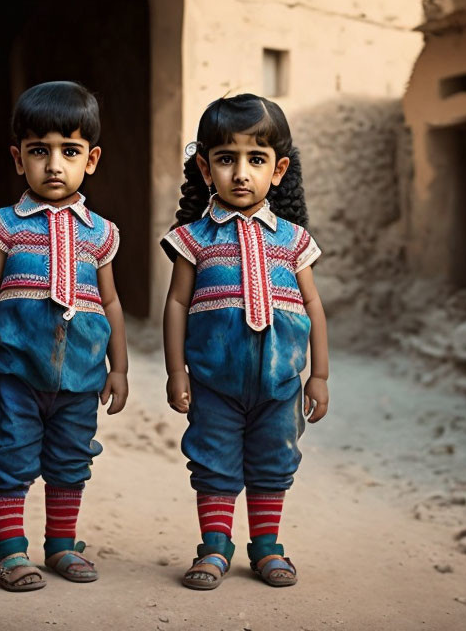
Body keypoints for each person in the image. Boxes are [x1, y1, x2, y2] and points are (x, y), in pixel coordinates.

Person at [161, 93, 329, 590]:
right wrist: (177, 372)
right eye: (226, 158)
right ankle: (214, 547)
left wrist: (318, 375)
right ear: (204, 167)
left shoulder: (294, 241)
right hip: (214, 383)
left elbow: (314, 307)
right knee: (213, 462)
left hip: (280, 385)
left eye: (255, 160)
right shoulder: (193, 239)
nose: (240, 173)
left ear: (277, 171)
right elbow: (176, 305)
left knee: (274, 461)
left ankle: (266, 548)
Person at [0, 81, 128, 592]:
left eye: (70, 151)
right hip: (16, 374)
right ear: (19, 159)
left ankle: (60, 545)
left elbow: (111, 303)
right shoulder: (5, 226)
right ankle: (11, 552)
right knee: (10, 454)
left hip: (80, 376)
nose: (54, 165)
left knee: (70, 458)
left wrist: (118, 367)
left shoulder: (99, 233)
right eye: (40, 151)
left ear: (92, 159)